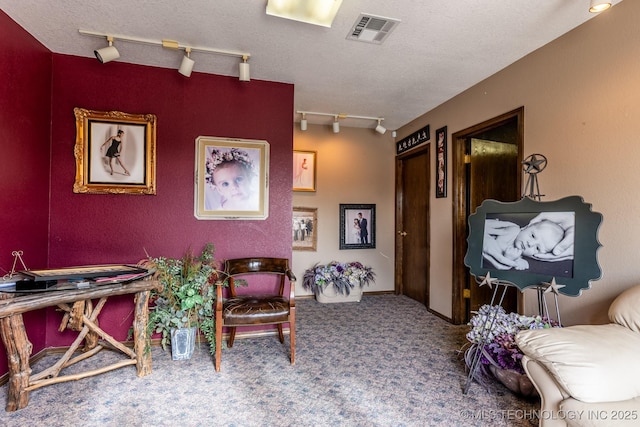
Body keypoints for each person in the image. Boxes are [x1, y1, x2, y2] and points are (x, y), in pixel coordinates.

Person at [482, 217, 567, 270]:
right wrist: (514, 259)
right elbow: (497, 245)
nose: (530, 244)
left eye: (537, 248)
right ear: (526, 227)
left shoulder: (520, 252)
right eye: (533, 236)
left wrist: (518, 260)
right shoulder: (514, 230)